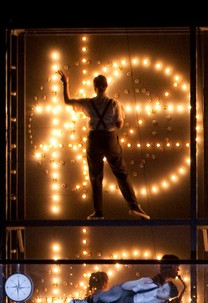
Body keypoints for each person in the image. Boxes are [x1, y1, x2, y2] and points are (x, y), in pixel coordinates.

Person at [57, 71, 149, 220]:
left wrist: (66, 83)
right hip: (109, 138)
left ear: (95, 87)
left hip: (94, 138)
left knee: (95, 176)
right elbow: (119, 125)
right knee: (121, 173)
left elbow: (67, 101)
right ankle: (134, 206)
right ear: (106, 86)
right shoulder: (114, 103)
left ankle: (98, 212)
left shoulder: (88, 103)